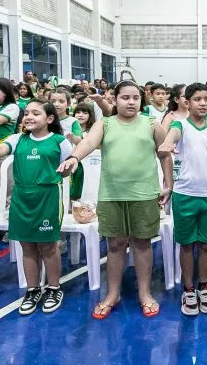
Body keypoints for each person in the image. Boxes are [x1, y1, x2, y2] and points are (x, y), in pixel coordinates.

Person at [59, 80, 173, 320]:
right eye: (125, 97)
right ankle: (112, 294)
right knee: (115, 245)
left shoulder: (151, 124)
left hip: (144, 194)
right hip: (111, 194)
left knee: (142, 244)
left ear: (142, 100)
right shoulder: (105, 123)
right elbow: (89, 142)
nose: (130, 102)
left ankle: (144, 293)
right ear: (115, 99)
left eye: (135, 97)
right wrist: (74, 158)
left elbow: (164, 153)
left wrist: (168, 184)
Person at [0, 101, 72, 315]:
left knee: (48, 246)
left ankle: (54, 288)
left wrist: (65, 170)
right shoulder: (18, 139)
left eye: (36, 113)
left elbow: (67, 168)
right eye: (26, 113)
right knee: (27, 246)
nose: (29, 117)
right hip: (21, 198)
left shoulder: (60, 141)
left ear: (50, 118)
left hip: (47, 198)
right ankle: (33, 289)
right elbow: (1, 148)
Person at [159, 83, 207, 315]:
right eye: (197, 99)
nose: (203, 103)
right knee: (186, 244)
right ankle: (188, 290)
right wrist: (168, 143)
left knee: (206, 245)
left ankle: (204, 287)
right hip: (185, 194)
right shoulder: (180, 125)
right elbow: (172, 136)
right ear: (187, 102)